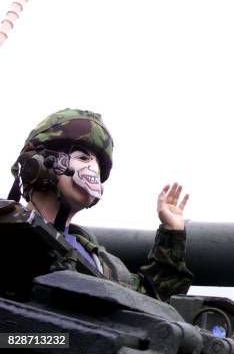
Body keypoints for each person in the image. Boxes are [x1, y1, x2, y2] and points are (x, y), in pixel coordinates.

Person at [4, 108, 193, 301]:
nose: (92, 169)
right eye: (83, 158)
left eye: (97, 166)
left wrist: (172, 234)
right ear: (38, 163)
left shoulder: (100, 263)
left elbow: (152, 302)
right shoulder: (7, 231)